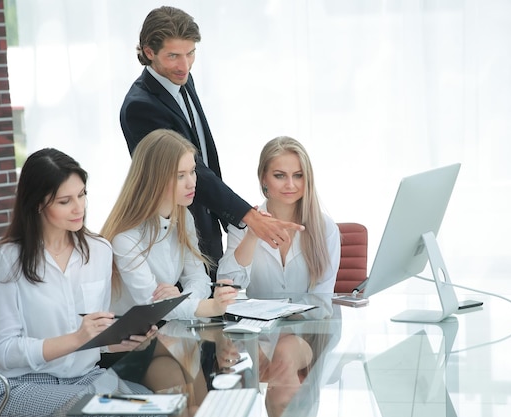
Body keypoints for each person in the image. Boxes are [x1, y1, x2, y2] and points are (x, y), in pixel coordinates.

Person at [119, 6, 304, 277]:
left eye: (190, 53)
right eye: (173, 56)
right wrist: (247, 216)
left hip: (205, 221)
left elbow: (204, 154)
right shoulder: (140, 107)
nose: (184, 65)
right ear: (149, 52)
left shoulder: (182, 79)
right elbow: (189, 169)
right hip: (175, 231)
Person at [0, 148, 156, 417]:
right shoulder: (8, 259)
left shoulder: (99, 251)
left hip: (84, 380)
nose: (79, 208)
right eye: (65, 201)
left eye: (82, 194)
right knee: (103, 410)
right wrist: (75, 339)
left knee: (156, 405)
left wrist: (121, 340)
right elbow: (3, 350)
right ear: (38, 203)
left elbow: (93, 339)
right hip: (18, 387)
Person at [100, 129, 238, 321]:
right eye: (180, 175)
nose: (191, 183)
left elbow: (199, 279)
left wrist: (179, 299)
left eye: (192, 171)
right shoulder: (125, 237)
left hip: (163, 334)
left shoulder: (183, 217)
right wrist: (212, 306)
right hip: (125, 343)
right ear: (154, 179)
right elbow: (152, 306)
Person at [217, 136, 341, 295]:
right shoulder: (242, 225)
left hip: (309, 320)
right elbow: (228, 285)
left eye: (298, 175)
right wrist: (252, 236)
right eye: (279, 175)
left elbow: (322, 296)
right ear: (263, 179)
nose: (290, 184)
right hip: (260, 319)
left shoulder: (326, 227)